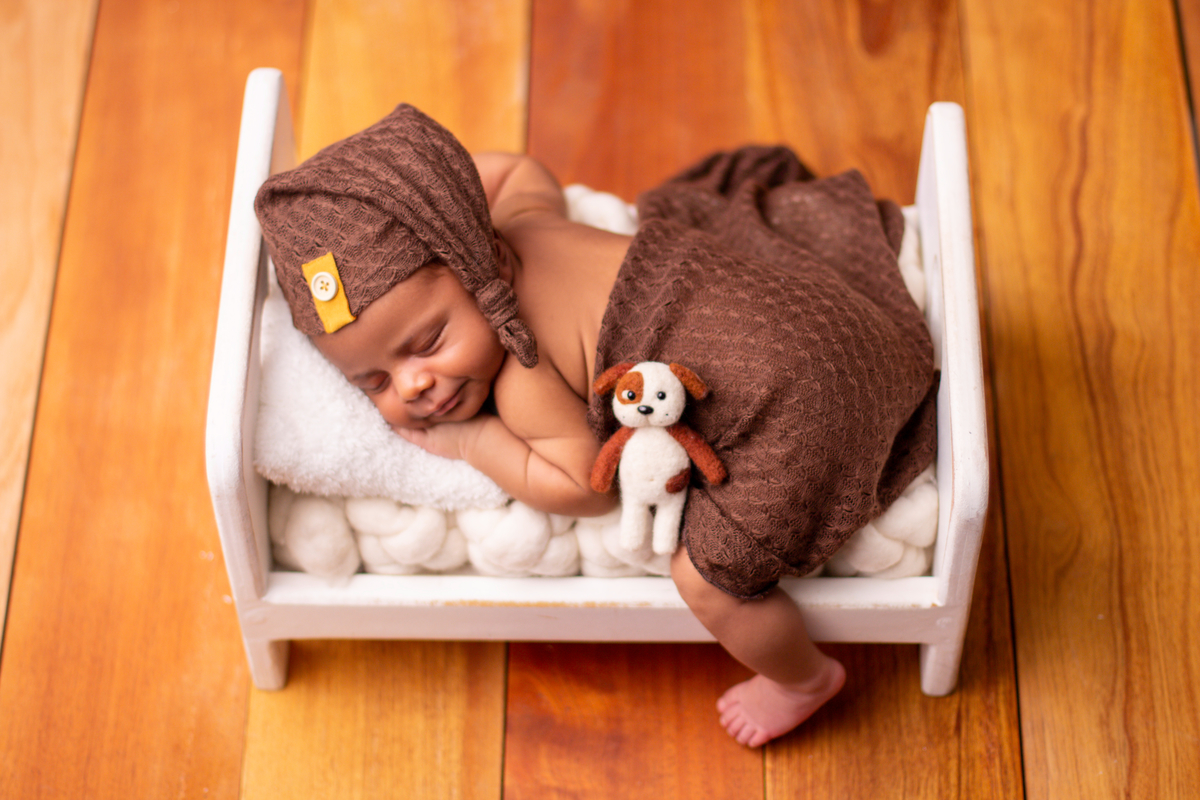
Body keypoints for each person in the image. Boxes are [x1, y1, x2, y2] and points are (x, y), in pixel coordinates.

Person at [255, 104, 937, 747]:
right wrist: (440, 200)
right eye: (371, 381)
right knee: (701, 212)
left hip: (796, 403)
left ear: (481, 261)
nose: (413, 385)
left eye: (428, 342)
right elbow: (512, 170)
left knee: (708, 579)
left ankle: (806, 679)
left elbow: (585, 485)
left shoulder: (522, 371)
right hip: (828, 319)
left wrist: (474, 441)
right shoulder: (524, 219)